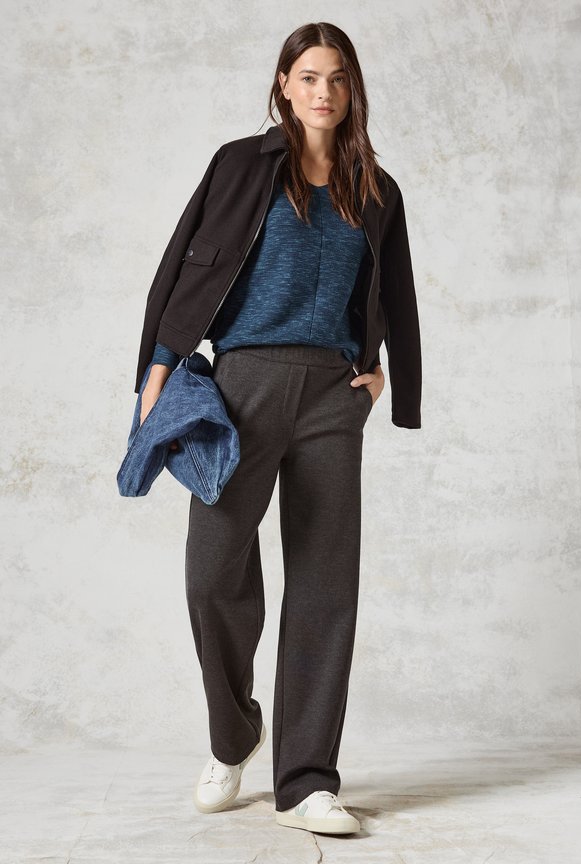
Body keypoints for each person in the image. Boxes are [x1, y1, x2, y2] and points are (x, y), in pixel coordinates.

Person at [134, 21, 422, 836]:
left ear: (352, 88)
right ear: (284, 86)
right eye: (308, 77)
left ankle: (305, 783)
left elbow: (392, 291)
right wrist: (158, 372)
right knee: (211, 572)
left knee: (327, 586)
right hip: (242, 386)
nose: (323, 91)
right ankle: (234, 736)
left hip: (332, 395)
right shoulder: (240, 166)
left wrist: (381, 375)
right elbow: (185, 266)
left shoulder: (377, 189)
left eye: (337, 77)